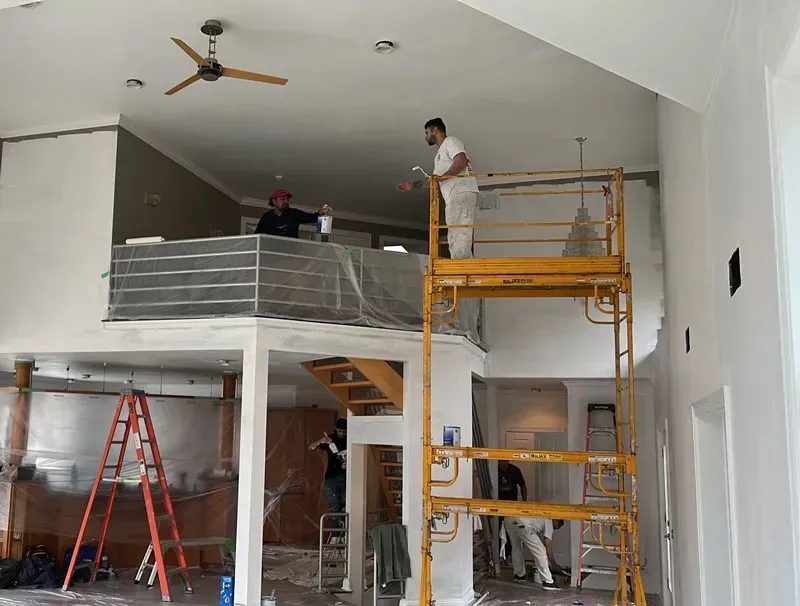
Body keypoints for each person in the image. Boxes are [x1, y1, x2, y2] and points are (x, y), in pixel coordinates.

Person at [397, 118, 479, 259]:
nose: (426, 137)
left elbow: (461, 162)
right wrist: (412, 185)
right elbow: (435, 181)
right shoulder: (440, 155)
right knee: (455, 235)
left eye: (427, 132)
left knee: (459, 236)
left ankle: (462, 271)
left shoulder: (451, 142)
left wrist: (442, 178)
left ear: (435, 130)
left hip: (461, 191)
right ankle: (460, 269)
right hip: (454, 196)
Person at [503, 517, 565, 591]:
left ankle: (519, 575)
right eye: (555, 527)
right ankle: (548, 582)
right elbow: (547, 546)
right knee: (541, 550)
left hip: (509, 519)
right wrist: (554, 564)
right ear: (556, 521)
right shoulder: (549, 521)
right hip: (522, 522)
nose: (554, 529)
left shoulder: (541, 518)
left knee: (516, 546)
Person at [308, 418, 347, 524]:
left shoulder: (349, 439)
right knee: (334, 506)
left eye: (344, 432)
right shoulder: (330, 438)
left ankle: (344, 534)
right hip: (332, 477)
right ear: (335, 429)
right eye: (340, 431)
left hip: (346, 477)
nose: (342, 434)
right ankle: (335, 534)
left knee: (345, 507)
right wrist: (321, 441)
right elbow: (311, 447)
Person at [254, 189, 331, 238]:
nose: (286, 201)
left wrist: (320, 213)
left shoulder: (294, 213)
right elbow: (257, 235)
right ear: (274, 201)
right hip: (272, 255)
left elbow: (312, 217)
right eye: (282, 199)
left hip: (291, 255)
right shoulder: (267, 217)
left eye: (287, 199)